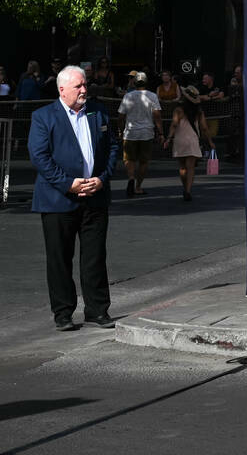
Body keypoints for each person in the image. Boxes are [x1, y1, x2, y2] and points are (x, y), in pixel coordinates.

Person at [28, 65, 118, 331]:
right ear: (62, 89)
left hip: (95, 196)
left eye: (85, 85)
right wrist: (68, 184)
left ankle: (97, 310)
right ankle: (63, 313)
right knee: (59, 258)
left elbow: (113, 147)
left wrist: (102, 178)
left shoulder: (98, 112)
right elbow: (39, 157)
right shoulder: (44, 116)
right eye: (78, 86)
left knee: (95, 256)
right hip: (58, 200)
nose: (84, 90)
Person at [118, 71, 162, 197]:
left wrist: (120, 130)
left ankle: (131, 177)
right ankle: (138, 186)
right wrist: (161, 132)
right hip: (146, 133)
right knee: (144, 161)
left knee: (129, 159)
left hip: (130, 132)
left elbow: (121, 116)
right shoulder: (152, 96)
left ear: (134, 82)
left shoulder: (128, 96)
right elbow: (157, 116)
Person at [165, 84, 212, 201]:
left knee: (182, 167)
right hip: (192, 139)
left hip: (180, 139)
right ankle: (188, 190)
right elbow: (204, 127)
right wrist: (210, 141)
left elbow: (174, 124)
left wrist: (169, 138)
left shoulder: (178, 110)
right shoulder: (199, 111)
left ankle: (184, 186)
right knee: (191, 167)